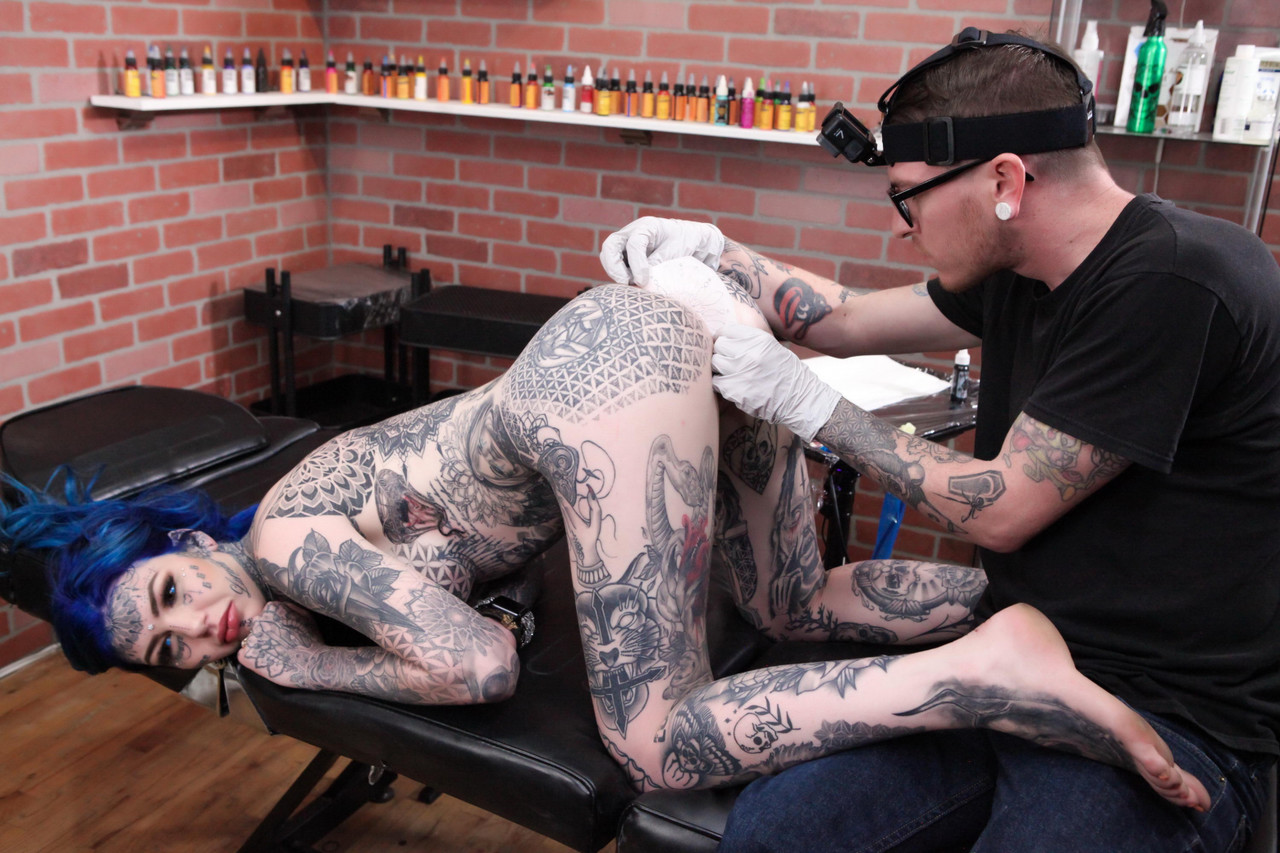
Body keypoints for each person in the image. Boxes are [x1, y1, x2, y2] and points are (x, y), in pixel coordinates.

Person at [2, 280, 1206, 807]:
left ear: (183, 538)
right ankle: (1060, 618)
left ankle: (983, 672)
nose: (196, 628)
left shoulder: (280, 541)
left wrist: (311, 666)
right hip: (660, 347)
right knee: (790, 601)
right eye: (170, 649)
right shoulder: (296, 534)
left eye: (169, 592)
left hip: (597, 383)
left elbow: (479, 665)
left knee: (654, 742)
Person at [599, 29, 1280, 852]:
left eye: (909, 198)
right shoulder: (1024, 270)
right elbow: (845, 320)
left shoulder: (1176, 281)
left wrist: (803, 400)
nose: (904, 228)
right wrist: (716, 251)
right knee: (775, 832)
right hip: (1014, 653)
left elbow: (1004, 509)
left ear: (1004, 181)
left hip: (1170, 705)